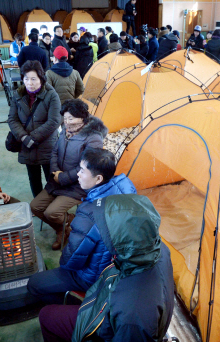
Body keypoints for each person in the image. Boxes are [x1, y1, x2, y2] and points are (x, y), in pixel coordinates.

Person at [38, 194, 175, 342]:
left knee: (46, 315)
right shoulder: (157, 248)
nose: (101, 233)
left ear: (123, 242)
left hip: (107, 322)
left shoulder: (132, 315)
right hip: (109, 302)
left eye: (106, 230)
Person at [27, 148, 136, 303]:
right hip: (119, 269)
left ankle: (77, 306)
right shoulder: (126, 189)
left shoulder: (89, 212)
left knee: (34, 284)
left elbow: (72, 259)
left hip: (95, 276)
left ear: (98, 179)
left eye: (83, 171)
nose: (78, 174)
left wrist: (63, 266)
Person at [30, 99, 107, 250]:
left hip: (77, 185)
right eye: (64, 118)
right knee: (35, 207)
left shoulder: (93, 138)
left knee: (51, 213)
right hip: (57, 180)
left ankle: (66, 223)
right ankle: (63, 228)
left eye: (70, 118)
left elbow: (88, 166)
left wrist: (63, 177)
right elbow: (54, 152)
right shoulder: (65, 130)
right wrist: (55, 172)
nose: (67, 122)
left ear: (82, 118)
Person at [7, 60, 62, 198]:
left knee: (51, 177)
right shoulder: (18, 95)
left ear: (41, 78)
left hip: (47, 145)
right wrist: (24, 137)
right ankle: (38, 205)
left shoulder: (51, 95)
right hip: (27, 145)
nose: (29, 83)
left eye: (33, 79)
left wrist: (33, 137)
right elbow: (12, 119)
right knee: (33, 178)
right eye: (26, 79)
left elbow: (54, 120)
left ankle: (51, 206)